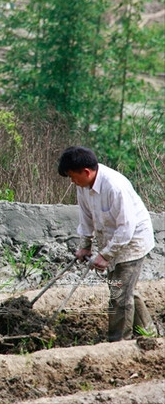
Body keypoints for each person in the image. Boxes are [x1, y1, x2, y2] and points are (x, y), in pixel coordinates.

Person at [57, 146, 156, 342]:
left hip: (132, 243)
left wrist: (105, 255)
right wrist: (85, 245)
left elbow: (127, 227)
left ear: (86, 171)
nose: (72, 181)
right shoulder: (83, 187)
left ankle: (118, 343)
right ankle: (150, 333)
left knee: (119, 295)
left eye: (72, 176)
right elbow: (86, 217)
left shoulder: (114, 186)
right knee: (126, 291)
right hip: (113, 240)